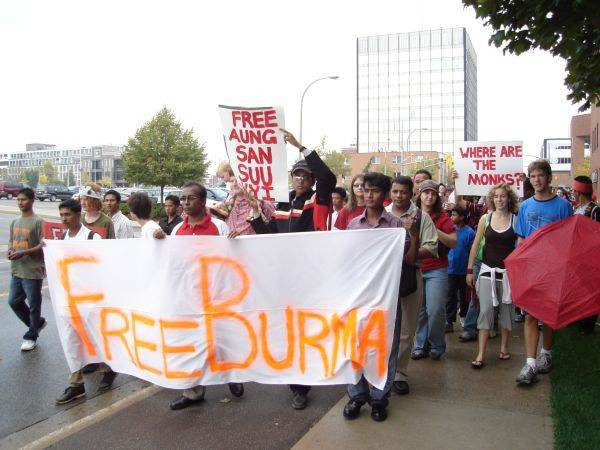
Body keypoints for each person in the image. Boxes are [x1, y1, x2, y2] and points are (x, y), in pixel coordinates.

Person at [249, 128, 336, 410]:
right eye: (296, 175)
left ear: (311, 180)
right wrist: (254, 216)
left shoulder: (318, 201)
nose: (300, 179)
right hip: (283, 279)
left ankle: (306, 382)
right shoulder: (281, 203)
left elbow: (329, 177)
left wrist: (301, 147)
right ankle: (296, 382)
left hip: (310, 278)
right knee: (288, 331)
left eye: (305, 175)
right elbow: (269, 238)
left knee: (308, 330)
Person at [153, 181, 243, 410]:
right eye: (182, 199)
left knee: (222, 340)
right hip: (189, 298)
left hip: (217, 295)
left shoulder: (220, 227)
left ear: (202, 201)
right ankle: (193, 391)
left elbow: (233, 259)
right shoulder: (177, 230)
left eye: (190, 198)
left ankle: (232, 376)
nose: (184, 203)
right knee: (191, 343)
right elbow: (171, 263)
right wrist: (159, 244)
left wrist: (236, 242)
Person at [343, 172, 418, 422]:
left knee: (386, 346)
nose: (369, 195)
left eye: (375, 191)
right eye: (366, 190)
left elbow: (408, 259)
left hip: (387, 297)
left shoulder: (395, 226)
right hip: (360, 296)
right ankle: (356, 395)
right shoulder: (354, 226)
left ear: (384, 195)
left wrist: (412, 234)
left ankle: (379, 398)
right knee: (356, 345)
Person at [514, 160, 572, 386]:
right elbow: (520, 238)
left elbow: (568, 239)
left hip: (553, 268)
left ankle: (546, 354)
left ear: (549, 178)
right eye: (532, 176)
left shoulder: (563, 206)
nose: (536, 180)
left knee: (547, 314)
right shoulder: (526, 206)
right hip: (530, 267)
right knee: (529, 314)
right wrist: (518, 264)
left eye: (540, 175)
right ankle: (530, 363)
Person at [386, 176, 438, 396]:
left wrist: (410, 251)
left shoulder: (421, 217)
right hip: (385, 278)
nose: (399, 196)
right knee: (384, 325)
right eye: (395, 192)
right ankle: (381, 369)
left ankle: (399, 372)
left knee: (407, 327)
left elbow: (431, 247)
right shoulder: (383, 213)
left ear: (411, 193)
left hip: (410, 275)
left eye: (403, 192)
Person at [55, 199, 111, 404]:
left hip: (90, 301)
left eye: (67, 215)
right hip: (69, 300)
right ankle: (76, 384)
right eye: (61, 215)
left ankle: (109, 368)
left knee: (95, 339)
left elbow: (102, 266)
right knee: (71, 341)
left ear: (78, 215)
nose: (64, 219)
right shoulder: (62, 238)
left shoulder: (91, 237)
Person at [467, 184, 519, 369]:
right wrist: (470, 270)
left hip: (507, 275)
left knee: (506, 311)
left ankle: (504, 348)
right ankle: (480, 353)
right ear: (492, 199)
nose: (499, 199)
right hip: (487, 271)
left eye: (503, 196)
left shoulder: (515, 220)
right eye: (496, 196)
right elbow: (475, 245)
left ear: (509, 198)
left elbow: (520, 248)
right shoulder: (485, 218)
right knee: (486, 311)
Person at [412, 180, 456, 360]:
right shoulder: (411, 214)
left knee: (436, 309)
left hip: (437, 269)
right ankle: (419, 345)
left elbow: (453, 241)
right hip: (416, 267)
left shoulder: (442, 217)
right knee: (419, 311)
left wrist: (433, 228)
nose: (429, 196)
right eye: (426, 193)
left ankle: (437, 344)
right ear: (419, 195)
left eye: (432, 193)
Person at [8, 188, 46, 351]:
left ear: (32, 201)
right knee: (14, 301)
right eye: (18, 200)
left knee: (33, 305)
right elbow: (11, 240)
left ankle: (31, 336)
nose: (20, 202)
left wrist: (24, 252)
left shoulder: (38, 222)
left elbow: (42, 245)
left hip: (32, 270)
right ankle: (36, 324)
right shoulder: (15, 222)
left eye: (23, 199)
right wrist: (11, 250)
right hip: (17, 269)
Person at [571, 176, 599, 334]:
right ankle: (577, 317)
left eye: (575, 190)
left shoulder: (594, 210)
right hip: (577, 255)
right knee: (578, 287)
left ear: (579, 191)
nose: (573, 193)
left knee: (590, 289)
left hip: (589, 255)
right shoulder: (577, 209)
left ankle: (588, 323)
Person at [445, 206, 475, 332]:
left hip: (464, 271)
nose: (451, 217)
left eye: (454, 215)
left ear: (462, 217)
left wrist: (470, 269)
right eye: (451, 215)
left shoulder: (470, 233)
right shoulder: (449, 231)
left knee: (464, 296)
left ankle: (463, 316)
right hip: (450, 270)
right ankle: (449, 321)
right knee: (450, 296)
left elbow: (472, 251)